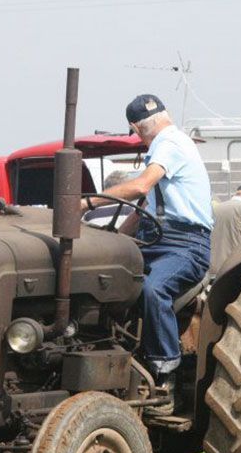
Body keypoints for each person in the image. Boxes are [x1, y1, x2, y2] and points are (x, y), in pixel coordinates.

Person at [85, 94, 213, 409]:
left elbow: (141, 186)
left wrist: (86, 203)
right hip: (156, 241)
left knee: (155, 288)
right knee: (107, 282)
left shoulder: (170, 144)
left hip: (185, 245)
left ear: (136, 128)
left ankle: (165, 375)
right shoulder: (168, 146)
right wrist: (110, 240)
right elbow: (142, 206)